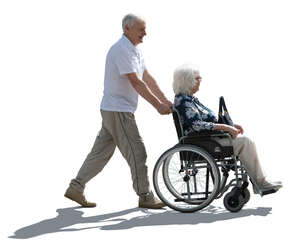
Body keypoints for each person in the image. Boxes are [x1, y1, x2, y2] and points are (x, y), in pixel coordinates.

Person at [64, 14, 173, 209]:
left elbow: (147, 77)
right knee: (137, 152)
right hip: (118, 110)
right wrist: (158, 106)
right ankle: (145, 196)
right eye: (141, 29)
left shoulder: (134, 51)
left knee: (100, 154)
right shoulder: (121, 50)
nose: (145, 33)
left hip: (113, 110)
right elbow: (136, 82)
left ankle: (76, 187)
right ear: (127, 29)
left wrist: (165, 100)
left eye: (144, 29)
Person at [172, 63, 282, 193]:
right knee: (245, 142)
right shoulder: (184, 102)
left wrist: (231, 126)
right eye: (198, 78)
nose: (200, 81)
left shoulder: (190, 99)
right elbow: (197, 125)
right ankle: (261, 183)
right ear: (187, 80)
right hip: (202, 143)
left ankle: (260, 182)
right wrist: (226, 128)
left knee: (245, 141)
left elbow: (205, 121)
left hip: (208, 140)